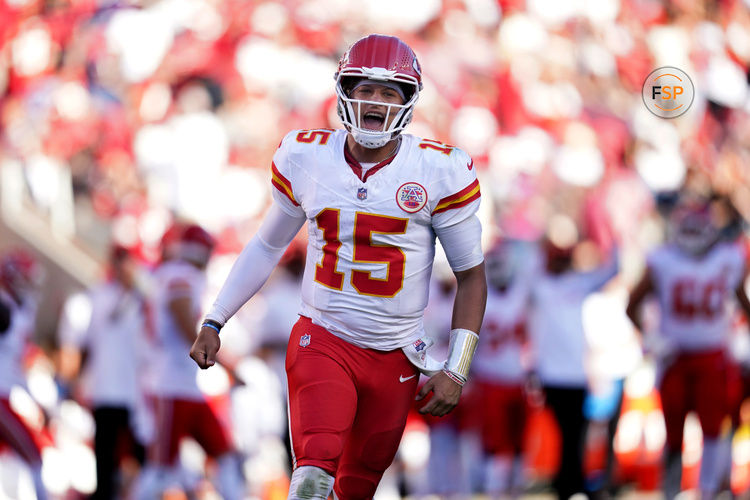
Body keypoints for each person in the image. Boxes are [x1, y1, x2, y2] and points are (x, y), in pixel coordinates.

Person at [190, 34, 487, 500]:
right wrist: (216, 317)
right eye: (365, 88)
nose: (375, 101)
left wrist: (457, 368)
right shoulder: (308, 158)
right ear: (344, 90)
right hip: (323, 337)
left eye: (389, 92)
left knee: (354, 490)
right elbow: (267, 246)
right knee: (312, 476)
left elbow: (471, 277)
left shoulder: (439, 170)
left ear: (408, 101)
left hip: (396, 354)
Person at [626, 197, 750, 500]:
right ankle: (671, 491)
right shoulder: (663, 259)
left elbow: (743, 302)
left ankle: (708, 492)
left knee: (713, 431)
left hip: (712, 357)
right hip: (676, 358)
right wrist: (653, 340)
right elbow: (631, 306)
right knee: (674, 433)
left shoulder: (728, 257)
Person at [134, 224, 245, 500]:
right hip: (170, 384)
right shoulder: (180, 275)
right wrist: (220, 359)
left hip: (185, 385)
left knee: (226, 455)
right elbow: (182, 315)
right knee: (160, 469)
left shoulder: (166, 274)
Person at [528, 220, 618, 500]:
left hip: (575, 374)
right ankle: (568, 485)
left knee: (575, 434)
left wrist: (610, 233)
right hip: (552, 374)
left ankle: (569, 485)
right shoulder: (540, 286)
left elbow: (612, 270)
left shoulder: (577, 283)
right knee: (567, 433)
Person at [57, 245, 149, 500]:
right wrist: (70, 384)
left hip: (135, 396)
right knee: (105, 467)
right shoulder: (95, 298)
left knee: (142, 460)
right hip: (105, 392)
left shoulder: (144, 301)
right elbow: (76, 348)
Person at [474, 241, 533, 498]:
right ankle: (495, 490)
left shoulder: (521, 292)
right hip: (492, 377)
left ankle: (513, 488)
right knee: (496, 443)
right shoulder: (479, 297)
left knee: (519, 441)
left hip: (518, 378)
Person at [0, 248, 48, 500]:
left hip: (7, 394)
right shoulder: (4, 308)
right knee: (33, 456)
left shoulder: (17, 312)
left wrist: (36, 400)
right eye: (25, 280)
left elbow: (15, 367)